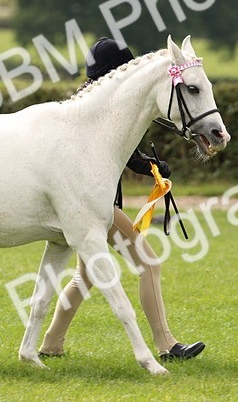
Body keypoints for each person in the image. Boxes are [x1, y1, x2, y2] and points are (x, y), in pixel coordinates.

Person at [38, 37, 205, 362]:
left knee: (84, 276)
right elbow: (116, 151)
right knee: (149, 264)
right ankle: (167, 345)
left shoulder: (83, 103)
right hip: (98, 208)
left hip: (94, 206)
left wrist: (151, 165)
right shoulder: (99, 110)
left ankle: (51, 343)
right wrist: (149, 165)